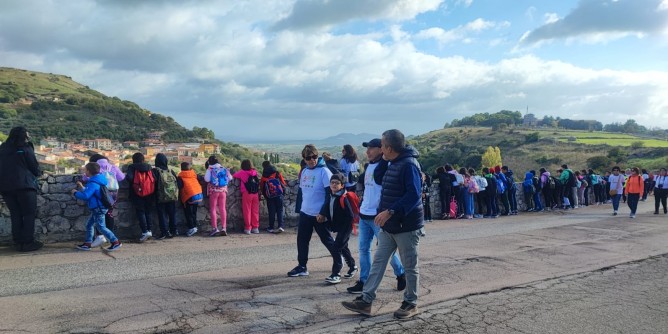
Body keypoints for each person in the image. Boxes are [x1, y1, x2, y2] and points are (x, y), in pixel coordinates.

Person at [342, 129, 423, 320]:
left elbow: (413, 195)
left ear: (388, 147)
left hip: (406, 225)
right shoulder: (392, 162)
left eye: (382, 145)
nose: (379, 149)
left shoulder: (409, 165)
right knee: (378, 262)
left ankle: (411, 303)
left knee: (410, 266)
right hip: (389, 225)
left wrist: (391, 211)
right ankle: (366, 301)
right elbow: (381, 182)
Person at [347, 138, 406, 294]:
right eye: (367, 149)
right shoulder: (369, 167)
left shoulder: (387, 166)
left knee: (385, 251)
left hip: (378, 215)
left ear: (381, 149)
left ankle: (401, 273)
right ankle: (364, 281)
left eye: (371, 148)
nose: (368, 152)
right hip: (365, 213)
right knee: (363, 249)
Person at [287, 144, 336, 277]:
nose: (312, 160)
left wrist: (324, 212)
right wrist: (300, 209)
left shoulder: (324, 171)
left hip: (318, 213)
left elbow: (329, 193)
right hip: (305, 212)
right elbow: (302, 192)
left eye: (314, 157)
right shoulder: (304, 171)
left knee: (326, 239)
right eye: (308, 158)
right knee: (302, 240)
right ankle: (302, 266)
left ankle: (338, 260)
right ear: (304, 159)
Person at [0, 126, 43, 252]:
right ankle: (27, 242)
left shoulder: (2, 149)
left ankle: (17, 241)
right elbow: (34, 167)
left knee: (15, 214)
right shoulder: (25, 148)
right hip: (25, 186)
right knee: (28, 214)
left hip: (6, 187)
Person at [72, 162, 122, 251]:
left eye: (85, 170)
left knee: (101, 227)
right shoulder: (98, 180)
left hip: (98, 208)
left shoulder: (93, 183)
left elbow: (86, 196)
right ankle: (87, 243)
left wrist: (75, 193)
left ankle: (115, 242)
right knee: (89, 224)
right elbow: (91, 192)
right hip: (100, 207)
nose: (84, 172)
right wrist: (82, 187)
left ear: (89, 171)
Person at [318, 173, 357, 284]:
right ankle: (353, 266)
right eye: (332, 182)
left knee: (336, 248)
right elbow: (327, 206)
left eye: (337, 183)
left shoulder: (344, 198)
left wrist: (345, 230)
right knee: (343, 247)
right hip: (339, 228)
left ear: (342, 185)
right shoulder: (331, 194)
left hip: (345, 228)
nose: (334, 185)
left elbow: (350, 216)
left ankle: (336, 274)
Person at [83, 154, 125, 247]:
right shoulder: (113, 167)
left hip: (101, 193)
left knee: (99, 213)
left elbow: (85, 178)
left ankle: (100, 236)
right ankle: (109, 237)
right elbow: (122, 177)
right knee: (109, 213)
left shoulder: (95, 167)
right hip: (113, 194)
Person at [125, 152, 155, 242]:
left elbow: (129, 178)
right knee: (148, 211)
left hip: (136, 193)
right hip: (150, 192)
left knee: (140, 212)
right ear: (143, 159)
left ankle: (144, 231)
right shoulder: (149, 167)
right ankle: (150, 230)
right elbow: (154, 179)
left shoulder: (132, 167)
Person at [204, 155, 232, 236]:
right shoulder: (224, 168)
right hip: (223, 190)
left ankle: (215, 228)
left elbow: (207, 179)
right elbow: (230, 178)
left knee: (213, 209)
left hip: (213, 191)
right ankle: (224, 228)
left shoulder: (210, 169)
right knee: (222, 209)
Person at [153, 153, 178, 239]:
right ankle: (174, 231)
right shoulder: (171, 171)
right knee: (172, 214)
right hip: (172, 196)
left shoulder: (155, 171)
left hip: (160, 196)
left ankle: (164, 232)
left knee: (162, 214)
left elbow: (153, 183)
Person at [233, 160, 260, 234]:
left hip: (247, 193)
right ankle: (255, 228)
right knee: (255, 211)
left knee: (247, 210)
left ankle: (248, 228)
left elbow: (234, 175)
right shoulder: (254, 172)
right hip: (255, 193)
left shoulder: (242, 172)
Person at [259, 160, 287, 233]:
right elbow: (283, 183)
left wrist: (265, 195)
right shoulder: (277, 173)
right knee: (280, 210)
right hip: (279, 194)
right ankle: (280, 226)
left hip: (270, 196)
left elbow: (262, 187)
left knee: (271, 211)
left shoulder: (264, 176)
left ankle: (271, 227)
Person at [177, 162, 203, 237]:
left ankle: (191, 228)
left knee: (188, 213)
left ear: (181, 168)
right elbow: (200, 178)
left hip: (189, 196)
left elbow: (179, 186)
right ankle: (194, 226)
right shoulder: (194, 174)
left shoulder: (181, 176)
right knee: (194, 212)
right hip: (198, 194)